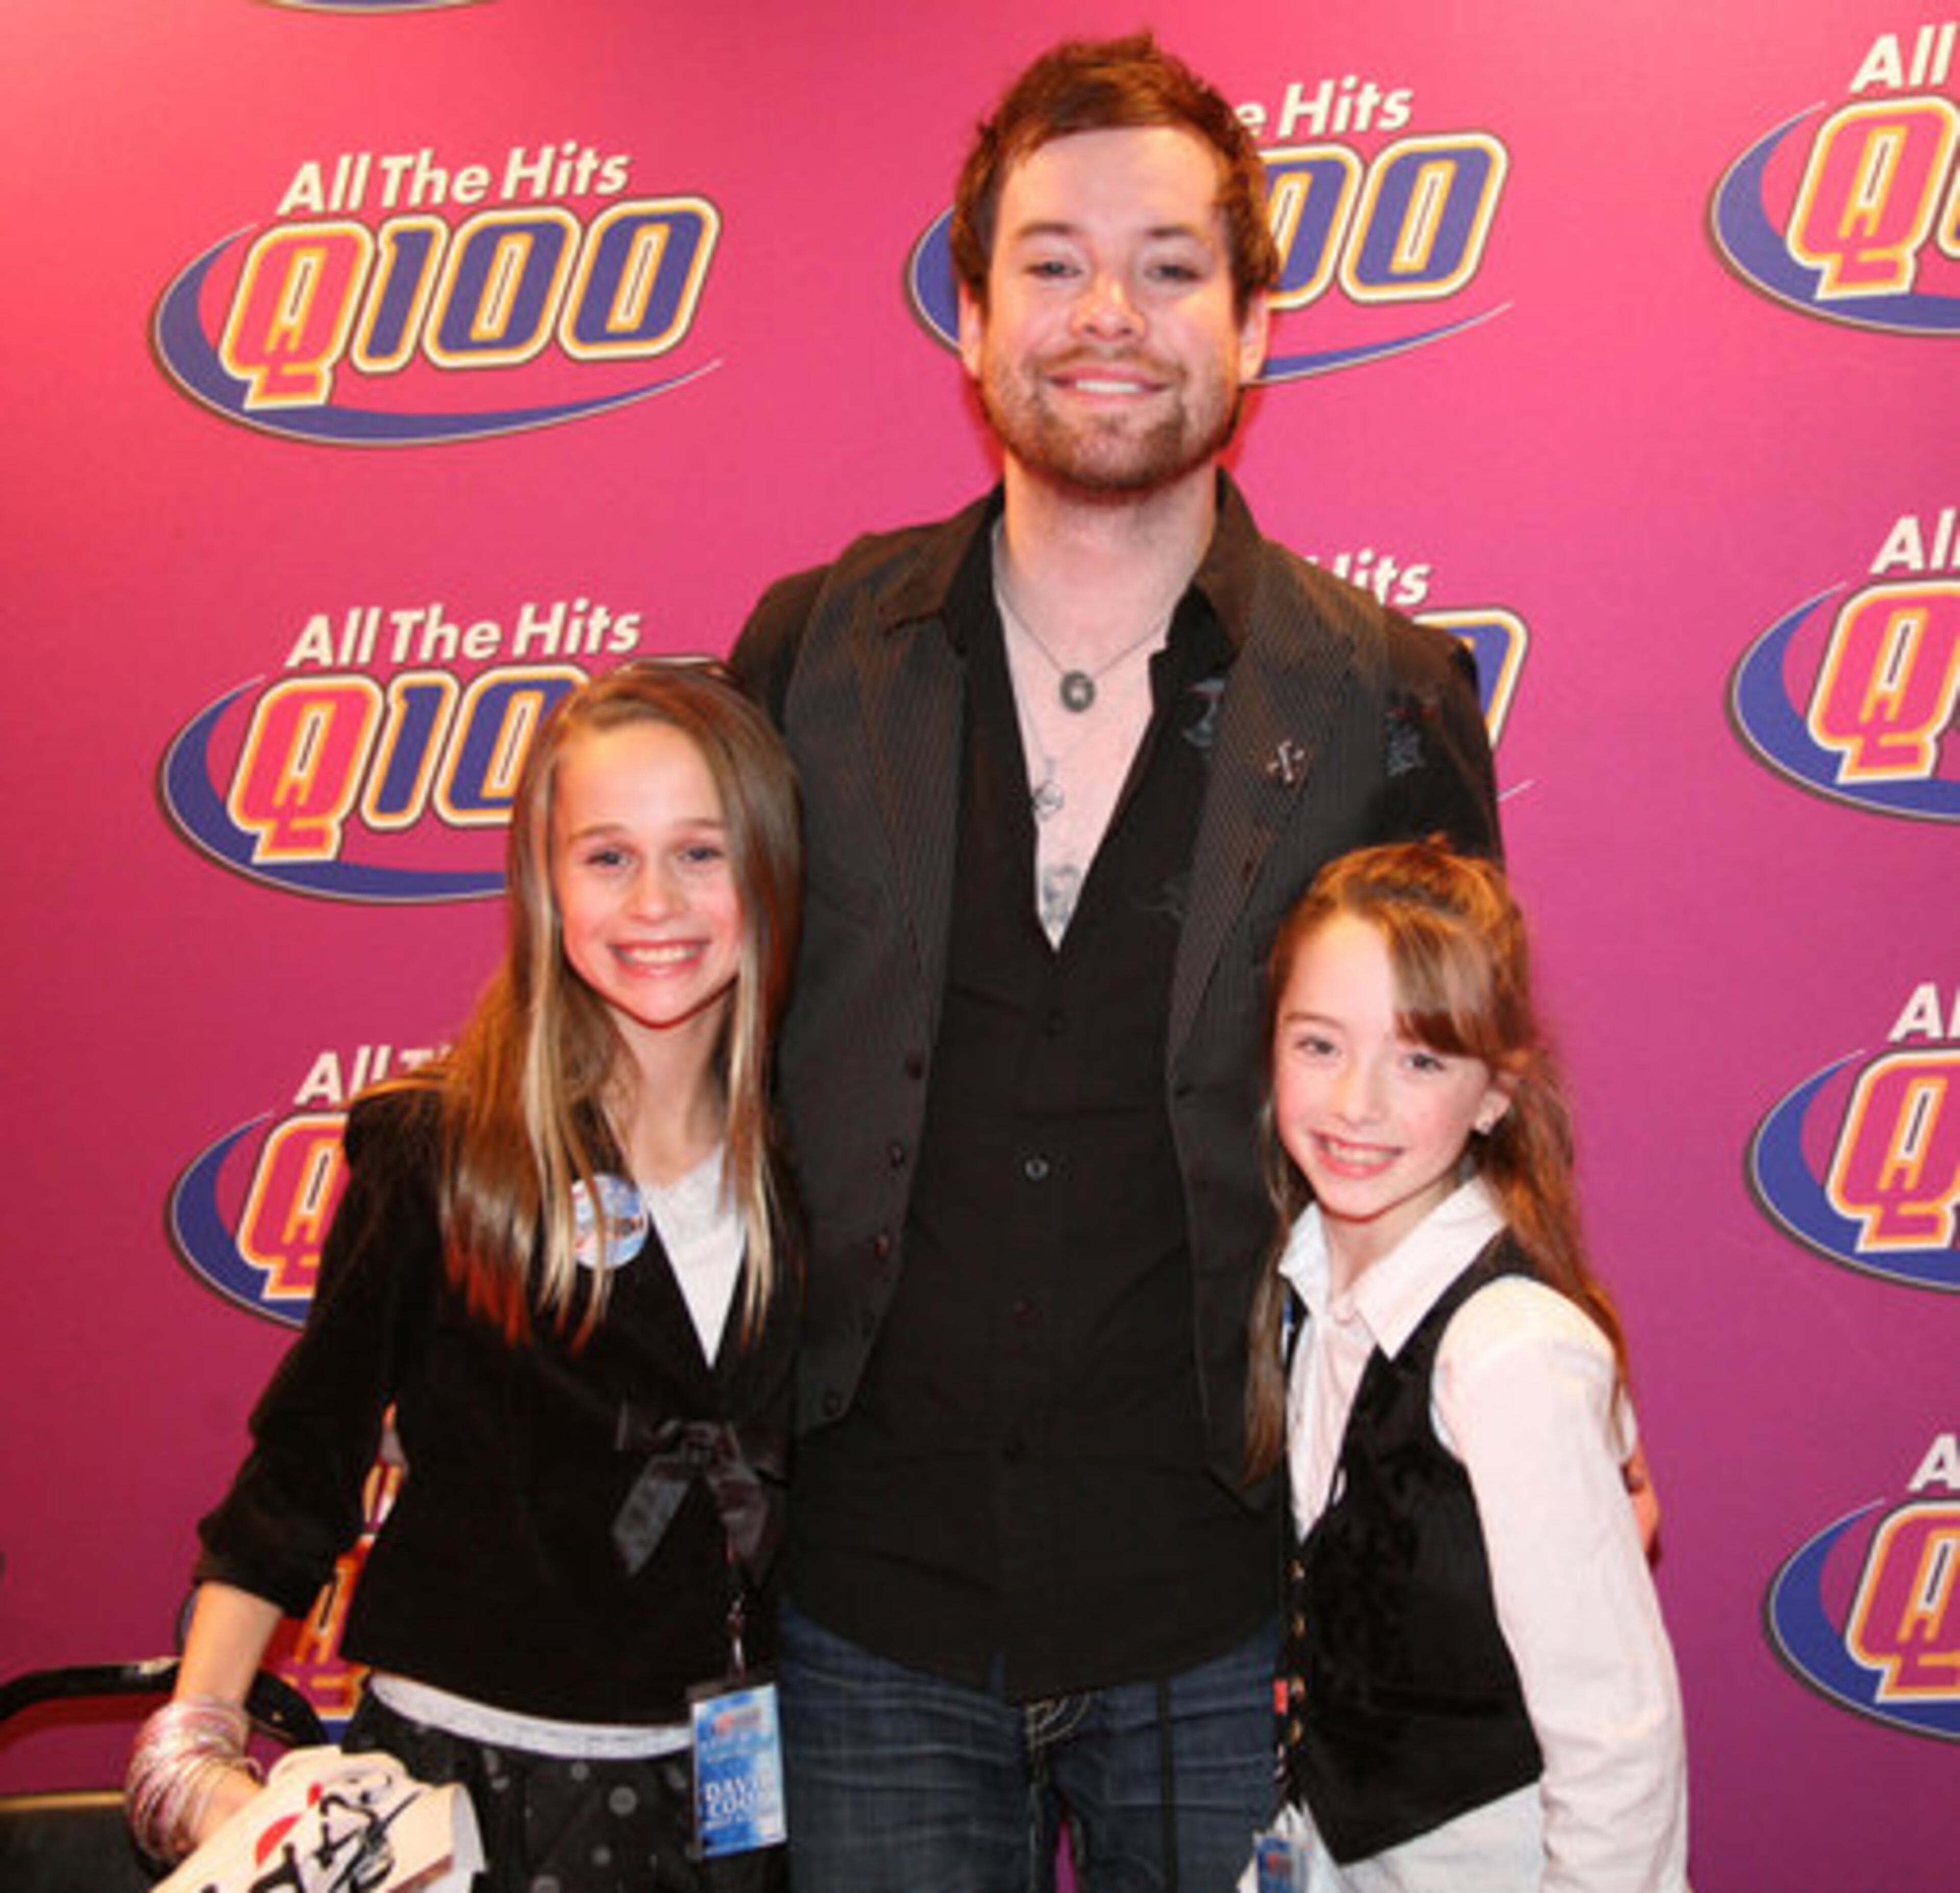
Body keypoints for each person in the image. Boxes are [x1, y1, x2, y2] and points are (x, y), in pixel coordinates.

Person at [730, 33, 1501, 1893]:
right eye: (1053, 262)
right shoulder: (813, 649)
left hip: (1241, 1608)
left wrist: (1546, 1397)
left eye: (1171, 267)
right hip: (862, 1620)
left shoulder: (1387, 693)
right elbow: (675, 1067)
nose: (1109, 314)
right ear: (973, 318)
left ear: (1255, 327)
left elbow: (1467, 1115)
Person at [125, 663, 803, 1892]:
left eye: (701, 852)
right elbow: (306, 1460)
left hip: (729, 1800)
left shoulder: (817, 1165)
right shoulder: (445, 1147)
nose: (657, 900)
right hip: (457, 1794)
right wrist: (196, 1734)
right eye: (607, 857)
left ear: (767, 869)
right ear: (544, 885)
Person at [1241, 841, 1688, 1891]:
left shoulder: (1508, 1353)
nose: (1357, 1102)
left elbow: (1616, 1735)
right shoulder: (1304, 1295)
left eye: (1422, 1060)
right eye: (1319, 1045)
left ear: (1496, 1094)